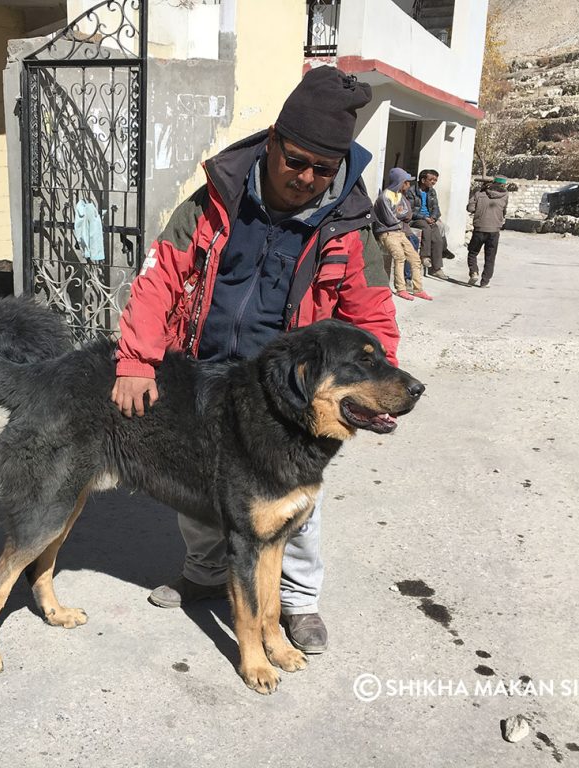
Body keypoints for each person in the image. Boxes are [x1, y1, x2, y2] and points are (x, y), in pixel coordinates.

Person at [110, 66, 401, 655]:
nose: (307, 177)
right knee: (199, 487)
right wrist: (137, 359)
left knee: (295, 507)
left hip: (286, 390)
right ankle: (207, 572)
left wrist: (367, 386)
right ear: (273, 141)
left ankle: (297, 604)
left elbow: (370, 316)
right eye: (296, 160)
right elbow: (159, 277)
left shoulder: (347, 227)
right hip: (204, 370)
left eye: (323, 168)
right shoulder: (215, 201)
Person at [373, 167, 432, 302]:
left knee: (415, 258)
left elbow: (408, 214)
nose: (409, 185)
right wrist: (400, 215)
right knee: (399, 257)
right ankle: (401, 289)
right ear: (400, 182)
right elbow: (389, 219)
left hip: (399, 232)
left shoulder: (400, 196)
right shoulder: (384, 197)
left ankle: (418, 289)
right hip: (387, 232)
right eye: (406, 182)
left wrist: (399, 215)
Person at [466, 176, 509, 287]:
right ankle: (485, 282)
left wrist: (481, 192)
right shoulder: (505, 196)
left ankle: (474, 272)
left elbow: (470, 208)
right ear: (504, 185)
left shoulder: (479, 194)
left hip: (479, 229)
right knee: (490, 257)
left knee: (472, 252)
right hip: (494, 231)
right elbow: (504, 211)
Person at [409, 169, 449, 279]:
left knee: (438, 238)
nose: (433, 182)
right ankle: (424, 256)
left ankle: (436, 268)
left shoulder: (432, 191)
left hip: (429, 219)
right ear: (423, 180)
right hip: (416, 218)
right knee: (425, 228)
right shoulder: (411, 191)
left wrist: (434, 217)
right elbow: (410, 211)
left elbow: (436, 207)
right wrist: (424, 217)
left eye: (435, 180)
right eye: (431, 180)